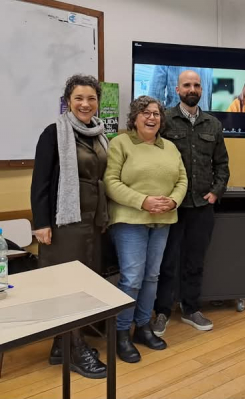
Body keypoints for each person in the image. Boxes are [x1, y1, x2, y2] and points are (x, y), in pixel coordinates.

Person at [31, 74, 109, 379]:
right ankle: (77, 351)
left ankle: (60, 346)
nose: (85, 104)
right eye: (78, 98)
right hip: (64, 223)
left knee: (87, 284)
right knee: (69, 288)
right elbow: (41, 182)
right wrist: (41, 223)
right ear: (67, 101)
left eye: (91, 98)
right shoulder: (54, 133)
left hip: (93, 221)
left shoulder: (100, 134)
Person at [104, 96, 187, 363]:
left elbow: (182, 179)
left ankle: (142, 327)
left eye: (156, 113)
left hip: (163, 220)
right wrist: (143, 201)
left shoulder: (171, 147)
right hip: (129, 220)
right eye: (145, 113)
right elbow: (110, 182)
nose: (151, 118)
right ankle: (121, 333)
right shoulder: (120, 143)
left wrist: (173, 200)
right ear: (134, 117)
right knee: (132, 279)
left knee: (152, 277)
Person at [152, 70, 230, 336]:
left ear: (202, 89)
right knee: (167, 261)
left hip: (201, 205)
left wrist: (216, 192)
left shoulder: (213, 124)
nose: (192, 89)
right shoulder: (165, 121)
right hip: (172, 207)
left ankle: (191, 308)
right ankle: (161, 311)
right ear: (177, 90)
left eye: (196, 84)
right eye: (187, 85)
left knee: (195, 261)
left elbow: (222, 164)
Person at [148, 66, 213, 110]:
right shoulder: (209, 63)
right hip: (203, 120)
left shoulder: (164, 56)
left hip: (172, 122)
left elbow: (154, 97)